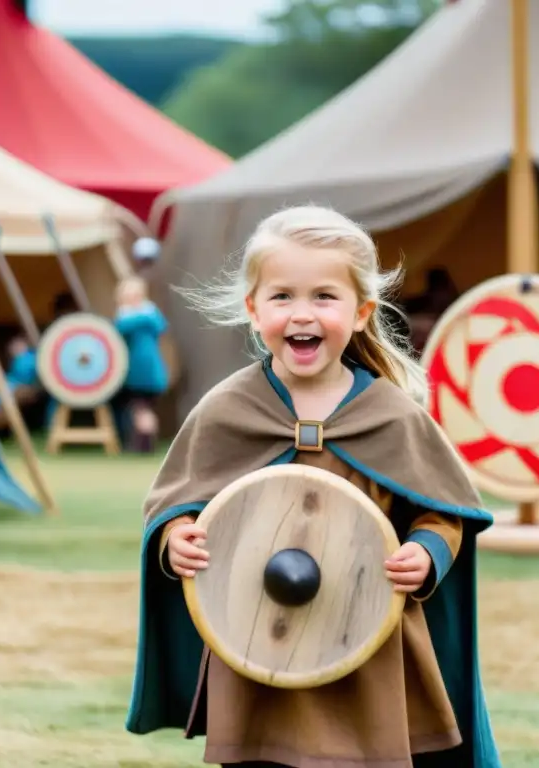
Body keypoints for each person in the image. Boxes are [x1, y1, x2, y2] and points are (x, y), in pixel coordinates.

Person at [125, 205, 502, 768]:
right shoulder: (228, 411)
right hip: (256, 639)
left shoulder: (391, 415)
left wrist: (425, 554)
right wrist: (176, 537)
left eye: (325, 297)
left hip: (366, 640)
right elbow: (179, 501)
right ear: (254, 310)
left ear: (360, 312)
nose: (303, 313)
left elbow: (442, 514)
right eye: (282, 297)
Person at [113, 275, 170, 453]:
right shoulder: (146, 316)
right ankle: (143, 445)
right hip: (141, 375)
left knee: (142, 411)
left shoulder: (146, 316)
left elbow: (122, 326)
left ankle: (144, 446)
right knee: (141, 411)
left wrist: (138, 315)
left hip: (144, 375)